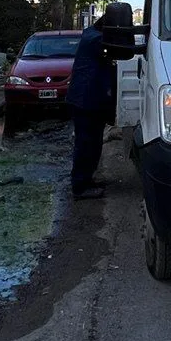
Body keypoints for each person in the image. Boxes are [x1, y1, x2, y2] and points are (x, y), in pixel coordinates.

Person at [66, 10, 116, 199]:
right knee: (86, 144)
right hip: (86, 100)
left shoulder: (91, 33)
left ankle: (87, 179)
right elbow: (123, 50)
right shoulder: (96, 39)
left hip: (89, 98)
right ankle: (80, 187)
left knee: (93, 143)